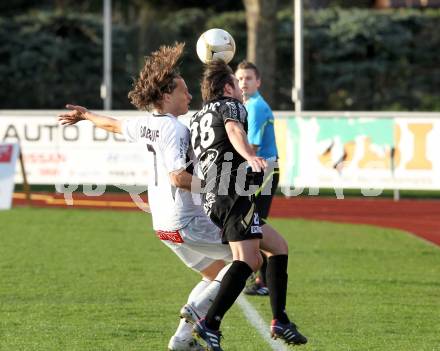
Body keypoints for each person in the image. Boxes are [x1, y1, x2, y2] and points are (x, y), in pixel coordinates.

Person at [58, 43, 233, 351]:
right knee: (247, 257)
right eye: (184, 91)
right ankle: (196, 314)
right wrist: (216, 185)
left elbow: (113, 124)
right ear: (166, 96)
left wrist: (86, 116)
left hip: (163, 226)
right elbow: (178, 178)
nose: (190, 96)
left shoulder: (146, 123)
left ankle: (181, 342)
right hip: (186, 221)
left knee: (215, 273)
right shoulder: (175, 131)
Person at [190, 60, 307, 351]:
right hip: (230, 192)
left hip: (217, 194)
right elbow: (234, 131)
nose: (242, 88)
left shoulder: (198, 115)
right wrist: (249, 156)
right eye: (236, 82)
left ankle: (280, 319)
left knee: (278, 247)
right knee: (247, 260)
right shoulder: (231, 106)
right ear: (227, 87)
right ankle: (210, 323)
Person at [235, 60, 279, 296]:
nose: (243, 83)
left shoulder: (256, 108)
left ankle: (263, 280)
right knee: (251, 222)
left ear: (258, 81)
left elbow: (251, 146)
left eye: (248, 78)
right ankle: (258, 275)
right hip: (256, 169)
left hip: (265, 170)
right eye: (240, 78)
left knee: (255, 222)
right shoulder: (246, 105)